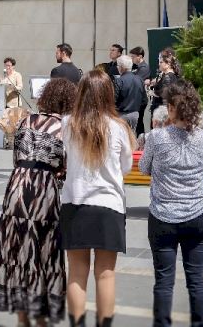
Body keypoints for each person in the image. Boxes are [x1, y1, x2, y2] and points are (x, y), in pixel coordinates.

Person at [0, 77, 73, 327]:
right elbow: (64, 164)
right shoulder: (65, 127)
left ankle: (22, 318)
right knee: (44, 252)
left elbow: (17, 156)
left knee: (16, 251)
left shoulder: (26, 120)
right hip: (43, 190)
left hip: (17, 186)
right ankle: (41, 317)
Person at [139, 79, 203, 327]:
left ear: (172, 108)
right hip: (198, 213)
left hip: (163, 214)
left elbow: (144, 168)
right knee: (197, 279)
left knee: (164, 280)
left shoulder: (156, 137)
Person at [61, 70, 134, 327]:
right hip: (109, 205)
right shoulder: (119, 127)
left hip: (75, 203)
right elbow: (126, 167)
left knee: (76, 273)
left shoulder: (68, 123)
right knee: (106, 274)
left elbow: (63, 159)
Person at [112, 54, 146, 131]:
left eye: (118, 65)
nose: (117, 67)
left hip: (121, 115)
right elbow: (144, 100)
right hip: (135, 114)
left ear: (122, 67)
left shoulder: (119, 81)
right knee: (132, 136)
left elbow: (114, 100)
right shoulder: (139, 79)